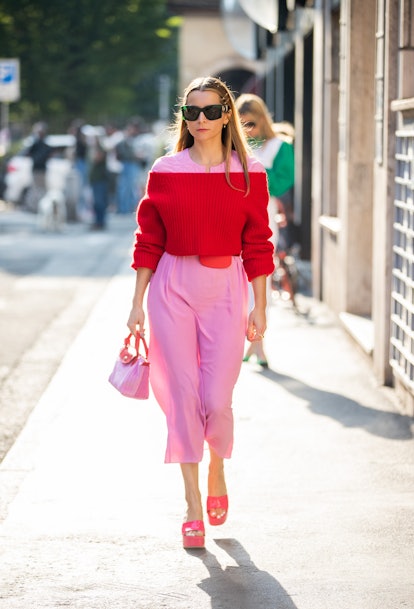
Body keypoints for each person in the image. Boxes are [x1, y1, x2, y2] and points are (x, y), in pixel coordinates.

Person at [126, 76, 274, 549]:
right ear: (184, 117)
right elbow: (148, 239)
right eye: (193, 113)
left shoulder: (249, 174)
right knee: (184, 396)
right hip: (171, 287)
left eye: (211, 111)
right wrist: (136, 304)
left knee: (216, 399)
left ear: (227, 114)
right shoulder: (166, 169)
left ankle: (217, 466)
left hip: (227, 290)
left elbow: (258, 244)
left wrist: (261, 306)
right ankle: (191, 504)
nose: (202, 120)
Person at [235, 94, 295, 367]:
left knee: (261, 278)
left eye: (252, 123)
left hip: (263, 216)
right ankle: (241, 341)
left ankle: (258, 341)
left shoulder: (278, 147)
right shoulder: (233, 147)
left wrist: (254, 180)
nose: (248, 130)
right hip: (232, 217)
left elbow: (284, 180)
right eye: (242, 123)